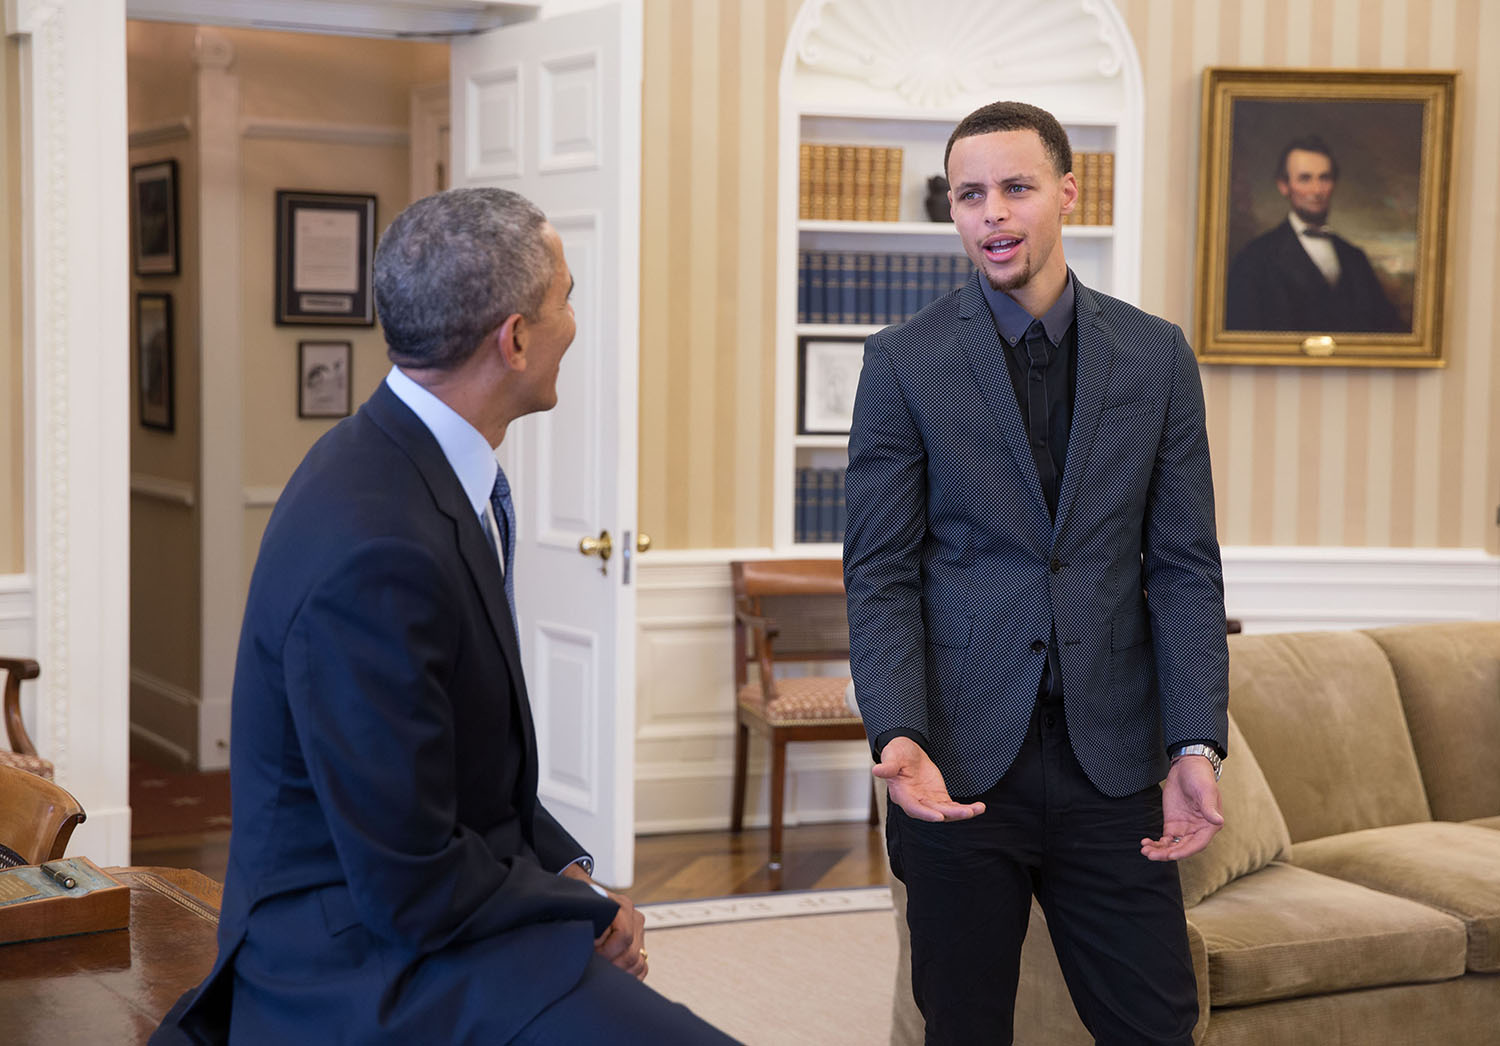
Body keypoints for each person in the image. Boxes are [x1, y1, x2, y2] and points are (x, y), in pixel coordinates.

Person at [151, 188, 732, 1045]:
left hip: (426, 909)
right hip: (359, 966)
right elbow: (409, 879)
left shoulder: (398, 459)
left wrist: (564, 862)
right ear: (516, 338)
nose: (575, 321)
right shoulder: (377, 545)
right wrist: (578, 908)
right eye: (565, 298)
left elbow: (452, 767)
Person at [844, 101, 1230, 1045]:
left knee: (1157, 1027)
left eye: (1015, 188)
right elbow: (880, 571)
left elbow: (1183, 567)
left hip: (1112, 763)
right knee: (966, 1028)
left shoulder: (1157, 356)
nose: (993, 215)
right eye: (969, 195)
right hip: (958, 763)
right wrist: (896, 728)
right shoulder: (903, 363)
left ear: (1067, 191)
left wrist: (1194, 743)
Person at [1224, 135, 1404, 332]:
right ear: (1284, 186)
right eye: (1305, 178)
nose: (1317, 190)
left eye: (1324, 178)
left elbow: (1387, 331)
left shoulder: (1354, 258)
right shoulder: (1255, 258)